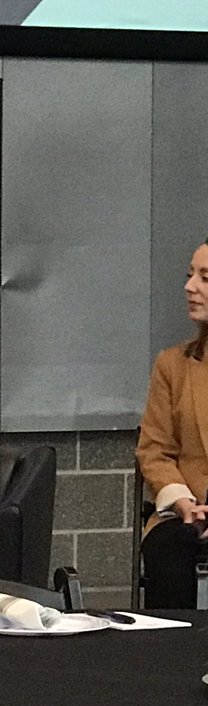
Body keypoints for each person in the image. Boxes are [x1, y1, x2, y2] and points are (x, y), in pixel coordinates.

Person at [137, 238, 208, 607]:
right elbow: (154, 451)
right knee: (168, 547)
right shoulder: (172, 365)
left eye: (205, 277)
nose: (189, 286)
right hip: (185, 515)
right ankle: (173, 658)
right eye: (190, 275)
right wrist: (183, 502)